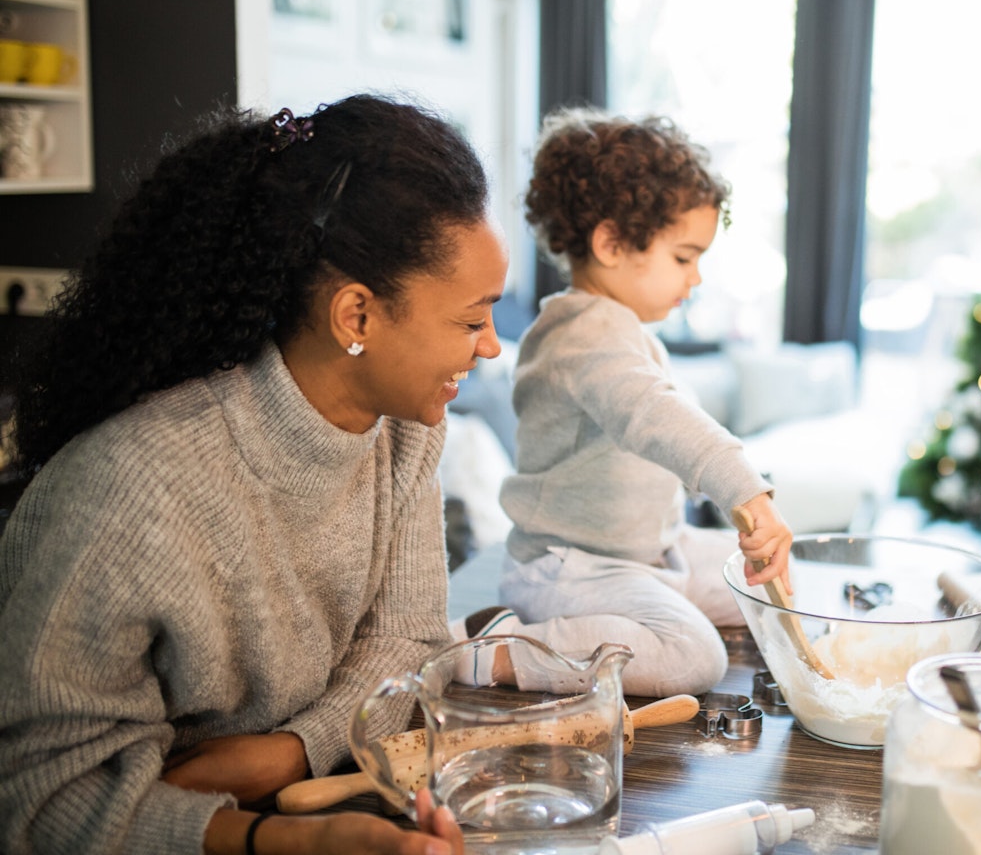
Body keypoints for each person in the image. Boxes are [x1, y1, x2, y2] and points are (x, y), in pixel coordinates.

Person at [0, 95, 508, 855]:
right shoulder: (131, 487)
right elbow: (39, 804)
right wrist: (291, 840)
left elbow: (407, 639)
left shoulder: (403, 435)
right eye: (472, 321)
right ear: (357, 317)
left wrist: (293, 750)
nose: (492, 348)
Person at [458, 108, 792, 697]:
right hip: (571, 567)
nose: (695, 279)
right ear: (611, 242)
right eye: (684, 257)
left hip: (648, 553)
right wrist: (744, 485)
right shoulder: (582, 335)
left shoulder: (620, 328)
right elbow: (654, 415)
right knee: (692, 658)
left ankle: (649, 610)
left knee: (776, 582)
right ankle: (494, 651)